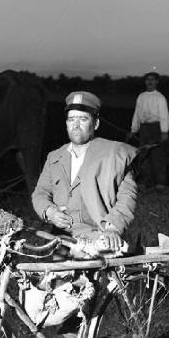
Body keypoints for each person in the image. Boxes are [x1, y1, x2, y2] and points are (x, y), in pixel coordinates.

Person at [32, 91, 138, 251]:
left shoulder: (114, 154)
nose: (76, 125)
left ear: (95, 124)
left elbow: (128, 196)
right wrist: (50, 212)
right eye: (71, 119)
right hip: (62, 238)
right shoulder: (54, 157)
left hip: (100, 236)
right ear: (66, 123)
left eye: (83, 119)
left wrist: (113, 227)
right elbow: (40, 193)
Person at [127, 71, 169, 188]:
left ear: (157, 82)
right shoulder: (141, 96)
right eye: (147, 80)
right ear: (145, 82)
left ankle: (161, 182)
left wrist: (164, 131)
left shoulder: (160, 97)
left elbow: (164, 115)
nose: (150, 82)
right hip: (144, 128)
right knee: (144, 155)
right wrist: (133, 129)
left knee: (157, 155)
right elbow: (137, 114)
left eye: (152, 79)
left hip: (156, 127)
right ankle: (147, 182)